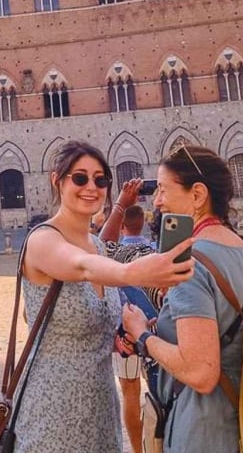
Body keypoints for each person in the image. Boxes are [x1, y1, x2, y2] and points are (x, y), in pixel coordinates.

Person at [14, 140, 195, 453]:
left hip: (100, 410)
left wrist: (123, 334)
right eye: (80, 178)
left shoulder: (98, 246)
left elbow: (91, 309)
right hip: (52, 409)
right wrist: (136, 272)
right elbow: (82, 268)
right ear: (57, 180)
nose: (92, 187)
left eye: (101, 180)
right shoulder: (42, 240)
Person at [123, 145, 243, 452]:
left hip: (205, 430)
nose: (157, 200)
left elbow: (200, 372)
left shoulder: (190, 264)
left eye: (163, 189)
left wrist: (142, 335)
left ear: (198, 195)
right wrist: (166, 323)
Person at [99, 181, 155, 453]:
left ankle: (137, 449)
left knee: (130, 393)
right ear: (143, 223)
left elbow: (102, 246)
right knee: (159, 393)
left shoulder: (117, 254)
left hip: (126, 337)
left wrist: (120, 204)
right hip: (157, 334)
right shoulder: (157, 250)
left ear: (123, 226)